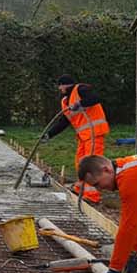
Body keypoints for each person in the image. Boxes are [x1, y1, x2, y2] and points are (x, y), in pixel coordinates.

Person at [42, 75, 109, 203]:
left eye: (60, 85)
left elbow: (95, 98)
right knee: (80, 163)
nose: (59, 88)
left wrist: (80, 103)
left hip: (95, 133)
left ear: (65, 85)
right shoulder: (65, 101)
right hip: (84, 137)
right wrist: (49, 134)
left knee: (92, 165)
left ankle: (92, 196)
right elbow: (64, 122)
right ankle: (80, 188)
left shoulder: (81, 89)